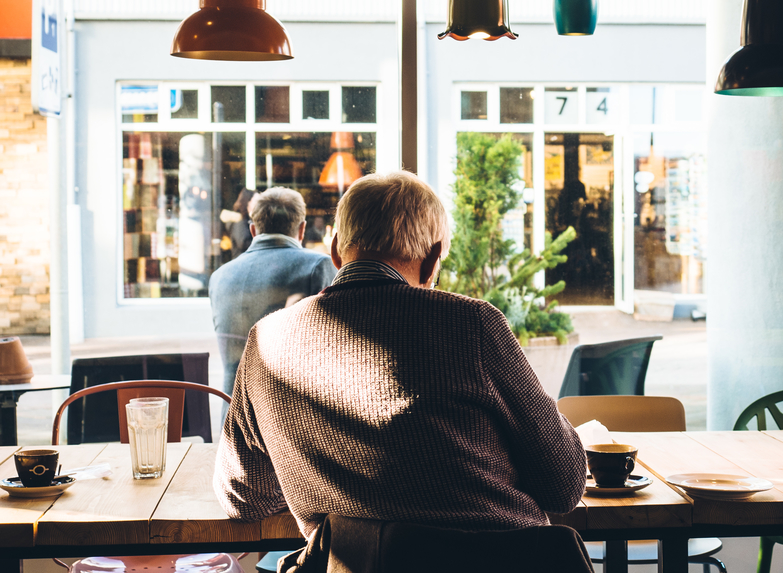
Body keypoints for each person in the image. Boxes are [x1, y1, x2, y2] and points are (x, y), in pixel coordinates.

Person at [214, 171, 586, 541]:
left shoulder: (266, 341)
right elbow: (564, 485)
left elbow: (243, 498)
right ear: (432, 260)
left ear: (336, 251)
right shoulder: (473, 325)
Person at [208, 187, 336, 399]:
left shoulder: (219, 276)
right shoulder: (317, 266)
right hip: (290, 418)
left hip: (232, 418)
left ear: (253, 230)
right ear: (302, 229)